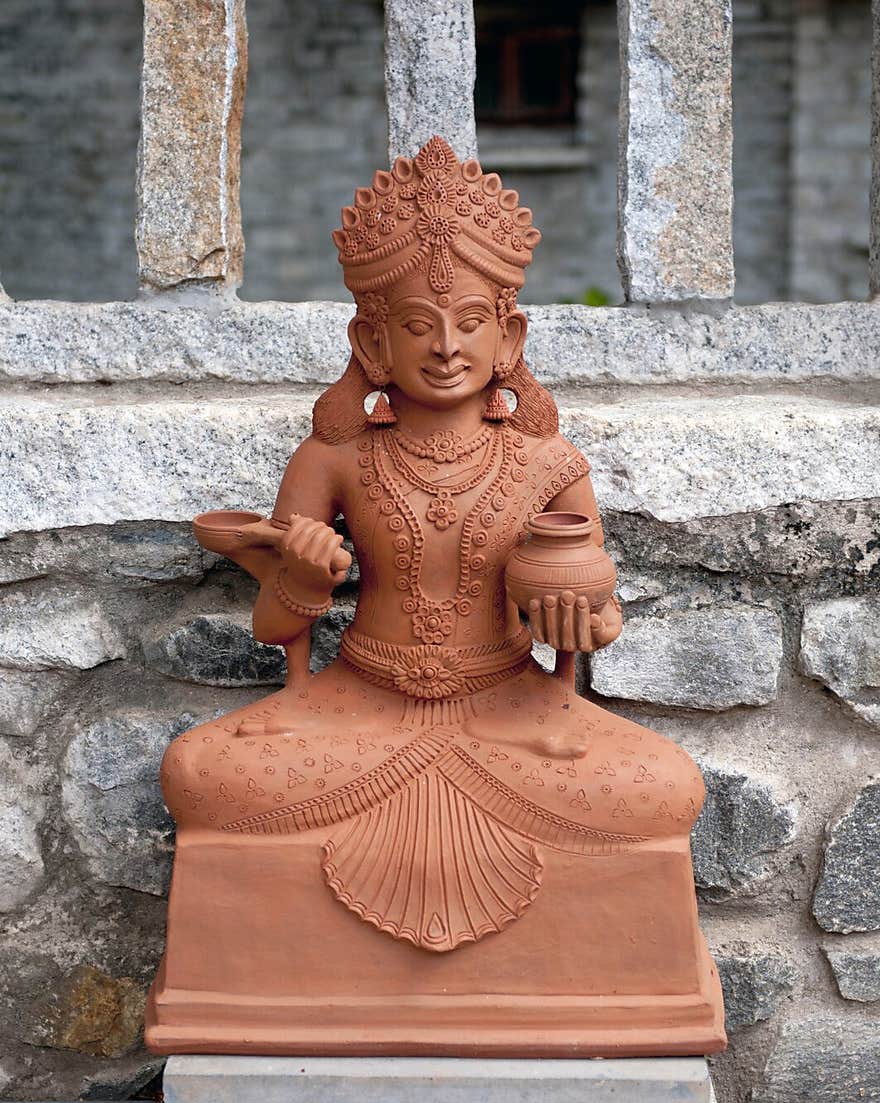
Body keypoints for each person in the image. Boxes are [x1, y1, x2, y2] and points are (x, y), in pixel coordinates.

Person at [148, 138, 723, 1054]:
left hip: (509, 702)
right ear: (373, 341)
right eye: (417, 325)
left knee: (665, 788)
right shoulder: (333, 459)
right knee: (198, 772)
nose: (446, 347)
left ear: (511, 336)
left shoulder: (548, 464)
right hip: (357, 699)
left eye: (467, 321)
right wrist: (302, 573)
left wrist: (583, 621)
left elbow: (592, 607)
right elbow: (276, 629)